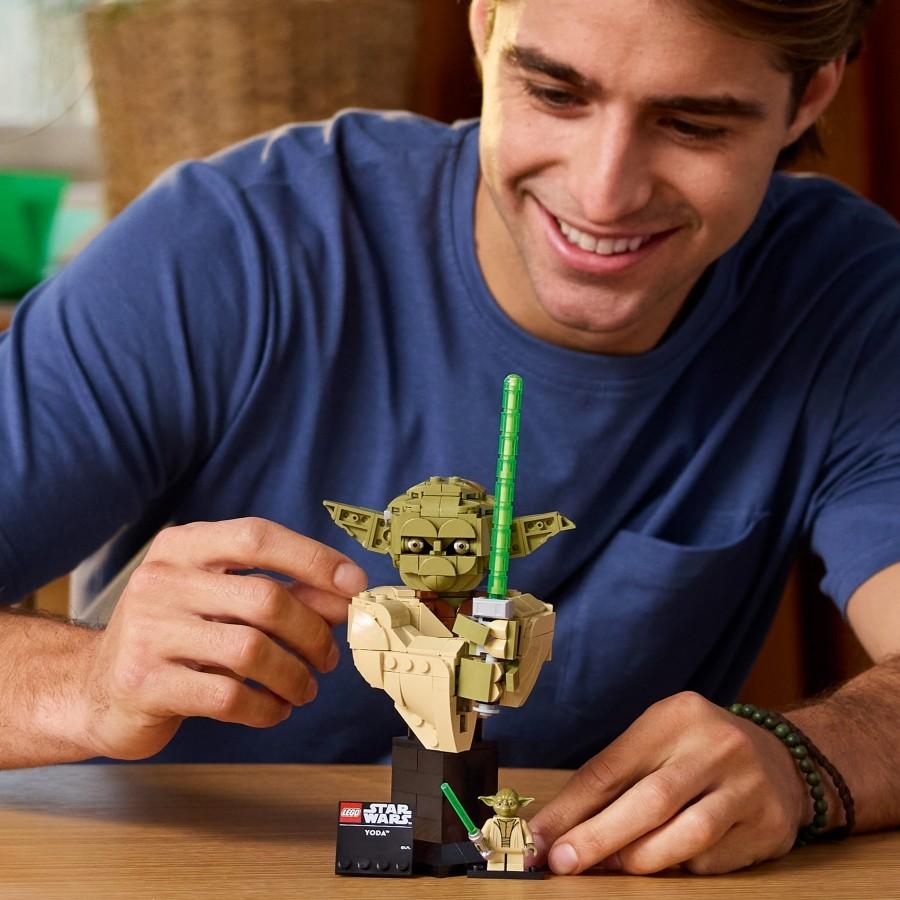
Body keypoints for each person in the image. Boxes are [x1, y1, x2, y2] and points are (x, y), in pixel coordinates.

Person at [0, 0, 897, 877]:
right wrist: (86, 682)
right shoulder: (231, 245)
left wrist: (809, 759)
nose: (604, 193)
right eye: (554, 93)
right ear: (485, 26)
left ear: (810, 95)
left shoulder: (848, 300)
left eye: (693, 124)